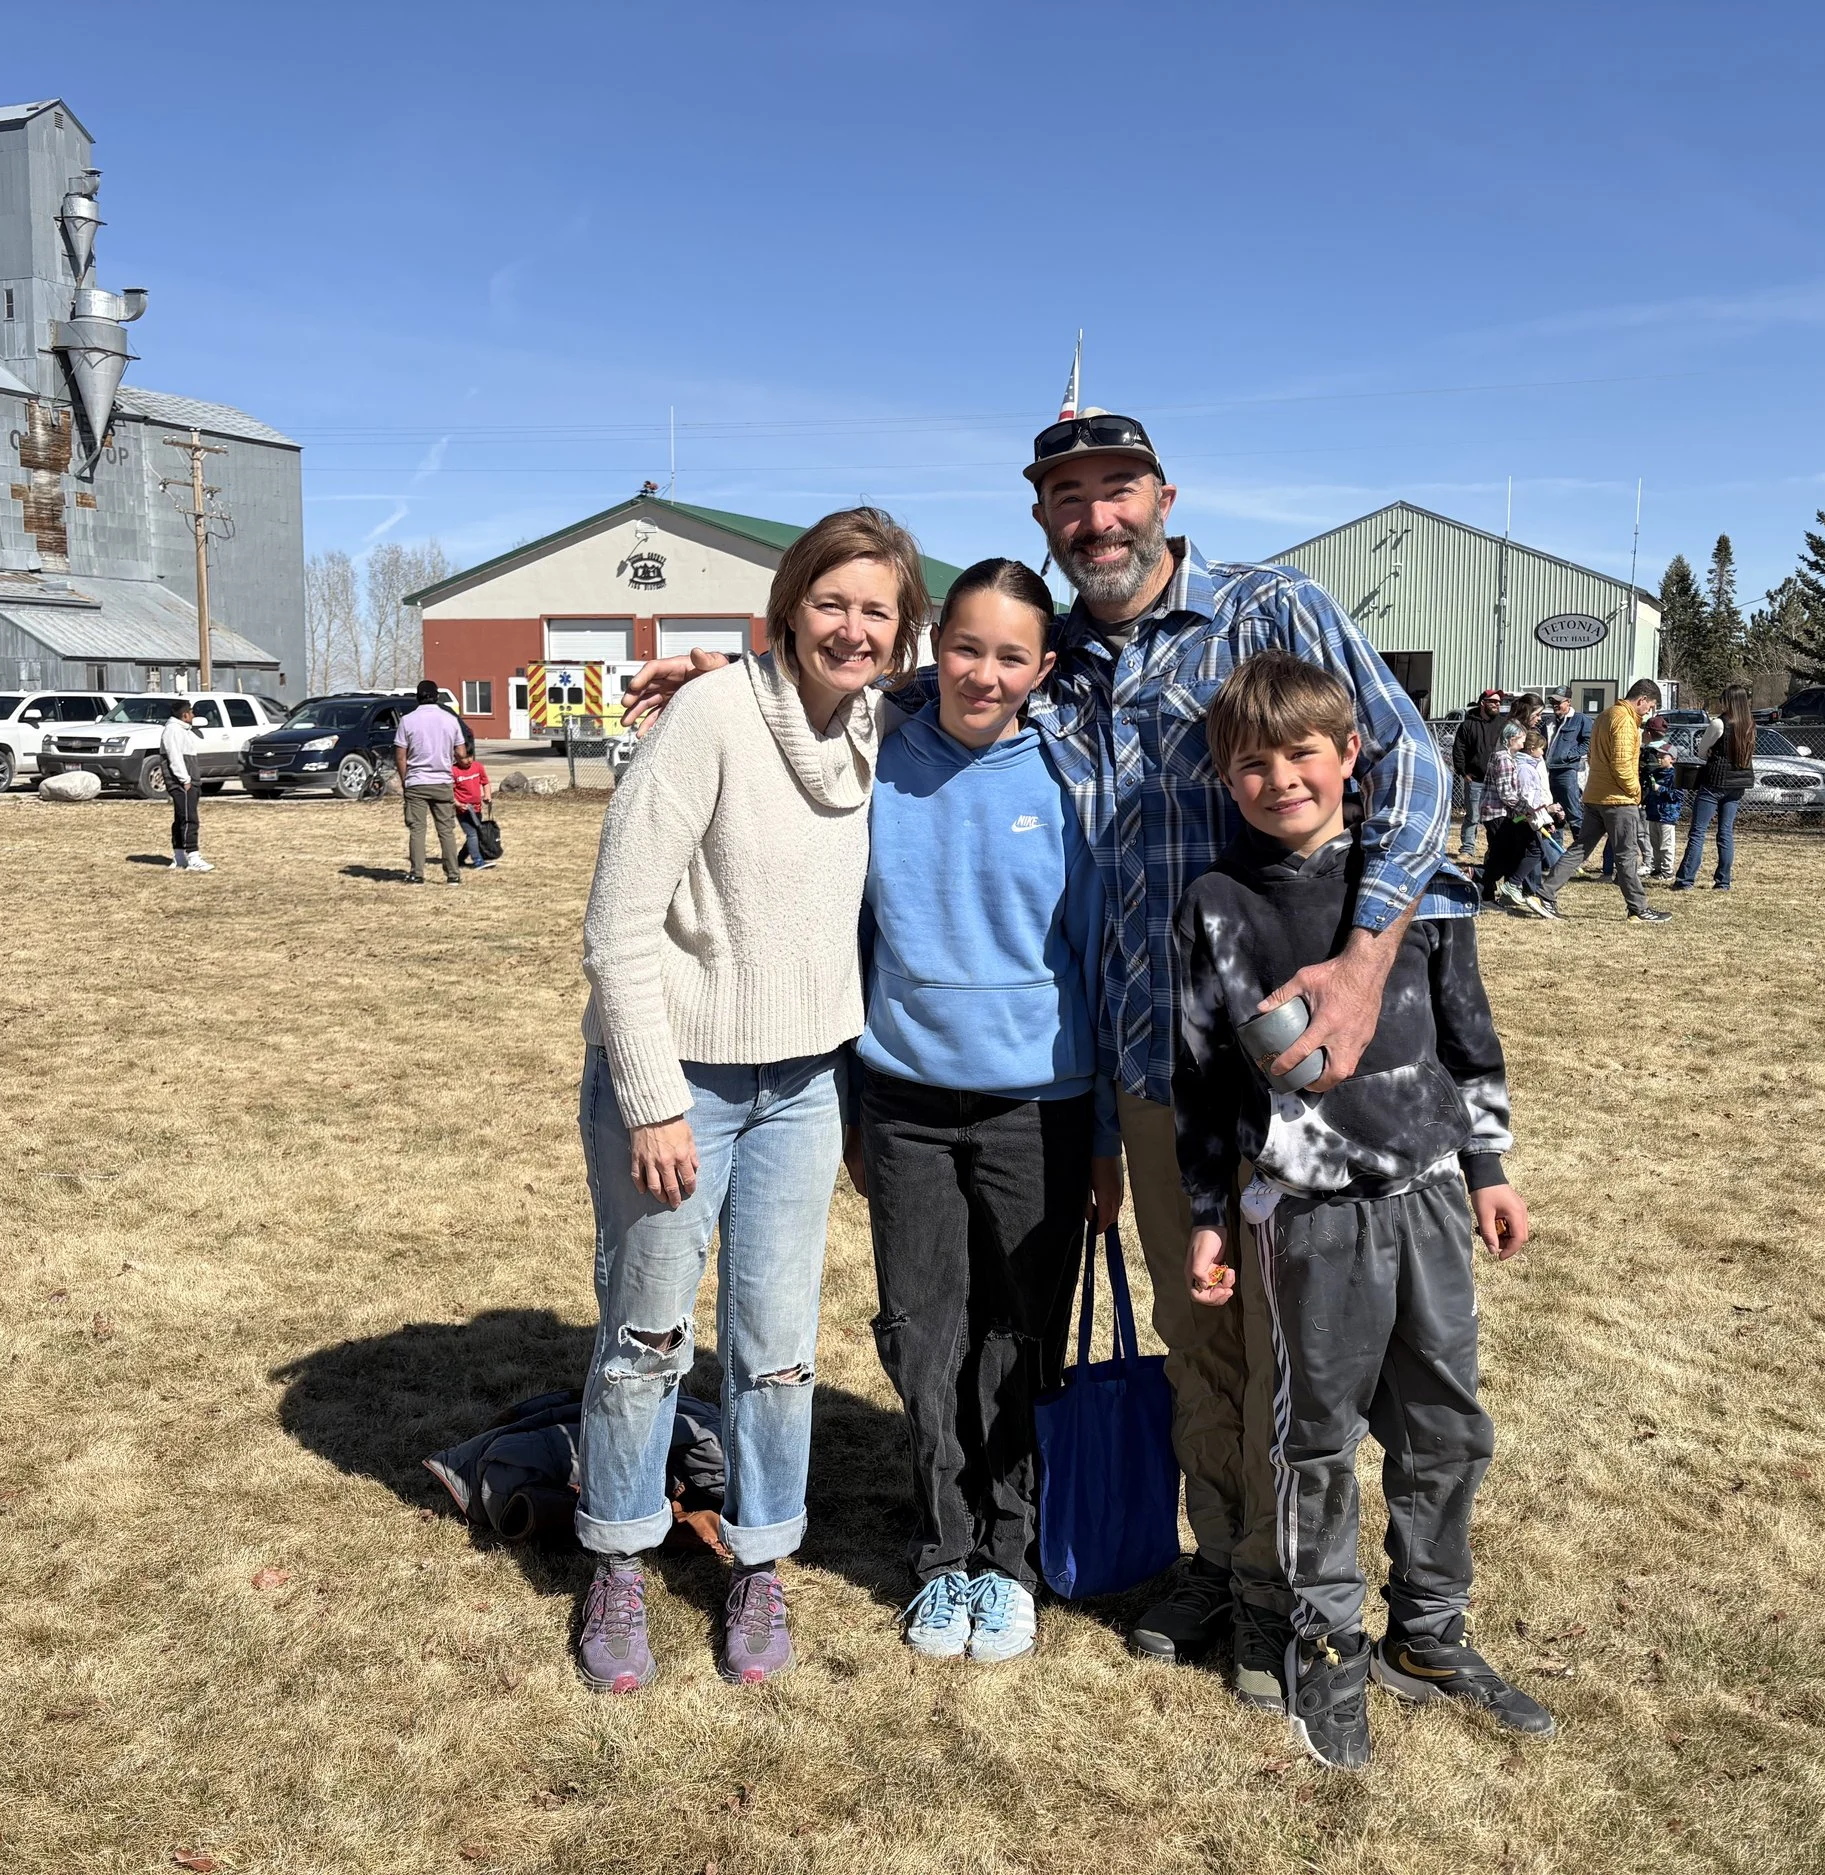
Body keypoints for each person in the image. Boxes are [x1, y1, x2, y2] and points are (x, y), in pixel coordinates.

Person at [626, 411, 1452, 1710]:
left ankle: (1293, 1592)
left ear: (1166, 495)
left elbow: (1414, 768)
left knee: (1290, 1341)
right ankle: (1222, 1561)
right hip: (1140, 1065)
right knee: (1199, 1337)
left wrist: (1359, 968)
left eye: (1117, 492)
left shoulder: (1266, 609)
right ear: (1041, 521)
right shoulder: (1051, 656)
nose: (1097, 519)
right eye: (1068, 499)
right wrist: (745, 684)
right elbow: (913, 687)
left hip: (1280, 1060)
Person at [1174, 651, 1551, 1770]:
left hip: (1428, 1197)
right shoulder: (1216, 906)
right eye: (1251, 762)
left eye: (1302, 753)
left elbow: (1466, 1026)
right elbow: (1200, 1073)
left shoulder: (1415, 886)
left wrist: (1487, 1164)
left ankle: (1429, 1635)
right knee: (1315, 1442)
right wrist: (1207, 1209)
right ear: (1222, 777)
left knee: (1444, 1428)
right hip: (1307, 1220)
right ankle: (1324, 1645)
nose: (1279, 778)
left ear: (1349, 757)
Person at [575, 507, 926, 1695]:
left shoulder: (881, 723)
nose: (854, 627)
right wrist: (651, 1100)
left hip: (807, 1085)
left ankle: (760, 1559)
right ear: (787, 607)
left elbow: (972, 672)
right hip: (680, 1086)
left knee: (775, 1352)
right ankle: (619, 1555)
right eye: (831, 602)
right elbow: (617, 930)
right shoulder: (713, 719)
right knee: (647, 1337)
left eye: (877, 609)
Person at [846, 558, 1123, 1666]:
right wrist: (857, 1110)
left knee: (1019, 1341)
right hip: (905, 1102)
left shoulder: (1070, 782)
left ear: (1041, 669)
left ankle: (1008, 1560)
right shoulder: (875, 763)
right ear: (933, 650)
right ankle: (943, 1555)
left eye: (1011, 655)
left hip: (1040, 1108)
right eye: (966, 647)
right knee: (922, 1340)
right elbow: (852, 939)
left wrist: (1102, 1135)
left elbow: (1096, 963)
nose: (984, 672)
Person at [1539, 680, 1670, 924]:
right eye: (1649, 706)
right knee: (1627, 855)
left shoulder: (1605, 715)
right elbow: (1621, 764)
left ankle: (1545, 893)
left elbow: (1593, 754)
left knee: (1580, 848)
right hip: (1618, 800)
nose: (1648, 712)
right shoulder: (1624, 720)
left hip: (1596, 795)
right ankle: (1638, 908)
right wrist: (1635, 791)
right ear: (1641, 699)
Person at [1675, 686, 1755, 892]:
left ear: (1728, 701)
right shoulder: (1749, 724)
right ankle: (1723, 881)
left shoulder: (1719, 723)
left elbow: (1701, 751)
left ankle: (1685, 880)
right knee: (1725, 832)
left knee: (1698, 831)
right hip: (1738, 784)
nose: (1721, 704)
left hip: (1715, 782)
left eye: (1723, 700)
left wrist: (1711, 752)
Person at [1479, 721, 1560, 918]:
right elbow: (1507, 794)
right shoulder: (1505, 759)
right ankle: (1481, 887)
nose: (1524, 743)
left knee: (1504, 855)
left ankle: (1489, 892)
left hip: (1501, 813)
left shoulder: (1503, 757)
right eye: (1522, 739)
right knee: (1501, 857)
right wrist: (1529, 810)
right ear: (1512, 739)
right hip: (1498, 813)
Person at [391, 679, 467, 885]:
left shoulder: (407, 720)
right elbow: (461, 753)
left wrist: (405, 780)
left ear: (417, 696)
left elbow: (400, 756)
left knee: (417, 829)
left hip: (416, 781)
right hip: (442, 781)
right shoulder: (450, 720)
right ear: (436, 697)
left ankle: (417, 873)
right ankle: (453, 874)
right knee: (446, 830)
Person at [1448, 691, 1510, 859]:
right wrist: (1463, 772)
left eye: (1499, 702)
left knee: (1497, 817)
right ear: (1483, 703)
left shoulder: (1503, 724)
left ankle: (1494, 849)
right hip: (1475, 779)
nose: (1497, 704)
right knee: (1473, 816)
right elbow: (1458, 750)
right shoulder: (1468, 725)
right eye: (1493, 701)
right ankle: (1468, 849)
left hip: (1497, 781)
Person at [161, 698, 211, 871]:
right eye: (191, 712)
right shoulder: (173, 730)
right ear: (184, 715)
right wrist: (185, 779)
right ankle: (193, 856)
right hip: (182, 782)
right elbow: (174, 757)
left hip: (189, 780)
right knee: (189, 818)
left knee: (182, 817)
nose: (193, 715)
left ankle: (180, 856)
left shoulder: (183, 730)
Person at [1638, 726, 1683, 879]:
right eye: (1658, 755)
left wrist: (1660, 789)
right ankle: (1657, 868)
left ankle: (1667, 870)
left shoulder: (1675, 775)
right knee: (1654, 843)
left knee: (1666, 844)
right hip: (1653, 813)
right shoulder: (1655, 773)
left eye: (1663, 756)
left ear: (1672, 759)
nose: (1659, 759)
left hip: (1667, 815)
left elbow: (1676, 795)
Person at [1542, 689, 1591, 826]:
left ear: (1568, 702)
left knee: (1574, 813)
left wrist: (1569, 755)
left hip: (1567, 771)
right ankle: (1555, 847)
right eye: (1553, 702)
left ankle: (1581, 846)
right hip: (1548, 771)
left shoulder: (1580, 719)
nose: (1555, 705)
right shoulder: (1548, 721)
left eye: (1559, 702)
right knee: (1554, 814)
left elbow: (1589, 742)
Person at [452, 740, 496, 868]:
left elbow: (485, 782)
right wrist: (457, 803)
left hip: (477, 809)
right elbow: (449, 791)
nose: (469, 760)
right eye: (465, 758)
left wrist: (487, 795)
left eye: (470, 756)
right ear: (456, 757)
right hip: (463, 810)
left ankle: (459, 859)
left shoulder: (478, 767)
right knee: (472, 833)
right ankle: (478, 861)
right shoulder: (453, 771)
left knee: (476, 833)